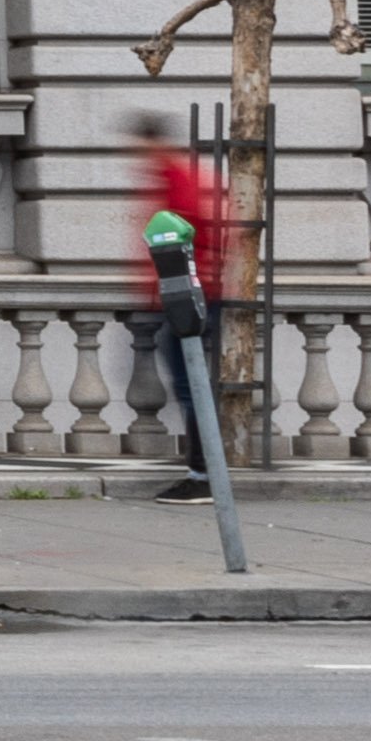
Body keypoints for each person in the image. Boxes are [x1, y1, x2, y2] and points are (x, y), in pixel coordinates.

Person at [122, 112, 231, 502]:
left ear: (153, 142)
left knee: (192, 386)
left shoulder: (178, 179)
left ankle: (203, 475)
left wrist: (173, 289)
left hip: (189, 295)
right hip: (184, 293)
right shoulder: (172, 177)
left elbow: (181, 239)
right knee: (190, 386)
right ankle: (203, 470)